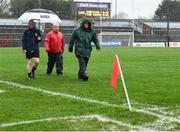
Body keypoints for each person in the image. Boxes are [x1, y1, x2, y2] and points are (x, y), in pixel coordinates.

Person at [68, 17, 100, 81]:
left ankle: (80, 75)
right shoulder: (76, 30)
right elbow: (72, 39)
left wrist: (97, 46)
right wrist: (70, 48)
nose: (86, 25)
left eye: (87, 24)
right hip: (79, 50)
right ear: (82, 24)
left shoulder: (92, 32)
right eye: (85, 23)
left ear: (89, 24)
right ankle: (84, 75)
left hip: (88, 50)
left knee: (85, 63)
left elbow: (95, 40)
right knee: (82, 63)